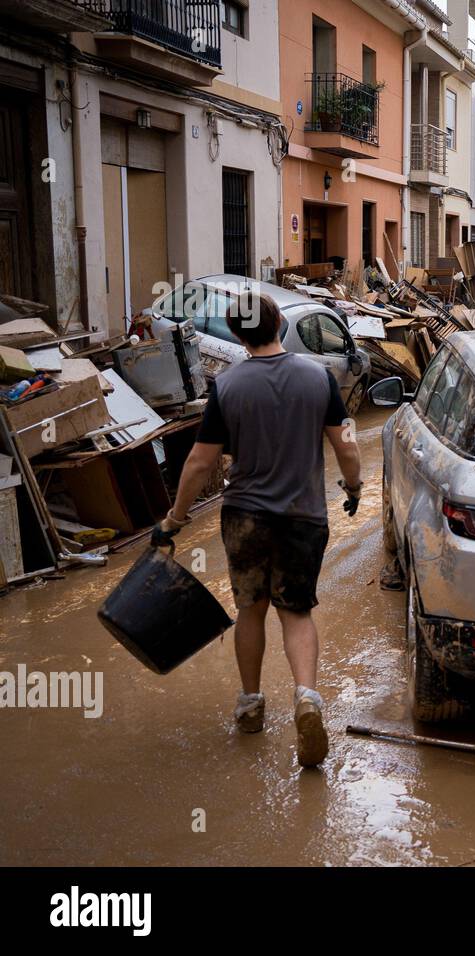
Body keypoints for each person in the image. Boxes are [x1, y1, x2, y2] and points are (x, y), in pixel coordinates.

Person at [154, 289, 362, 768]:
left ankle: (251, 703)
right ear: (279, 327)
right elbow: (347, 445)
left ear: (237, 334)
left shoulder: (226, 387)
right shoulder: (320, 377)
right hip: (303, 517)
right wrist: (353, 488)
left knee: (250, 609)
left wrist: (175, 519)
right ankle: (307, 696)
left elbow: (199, 462)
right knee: (297, 612)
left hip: (244, 517)